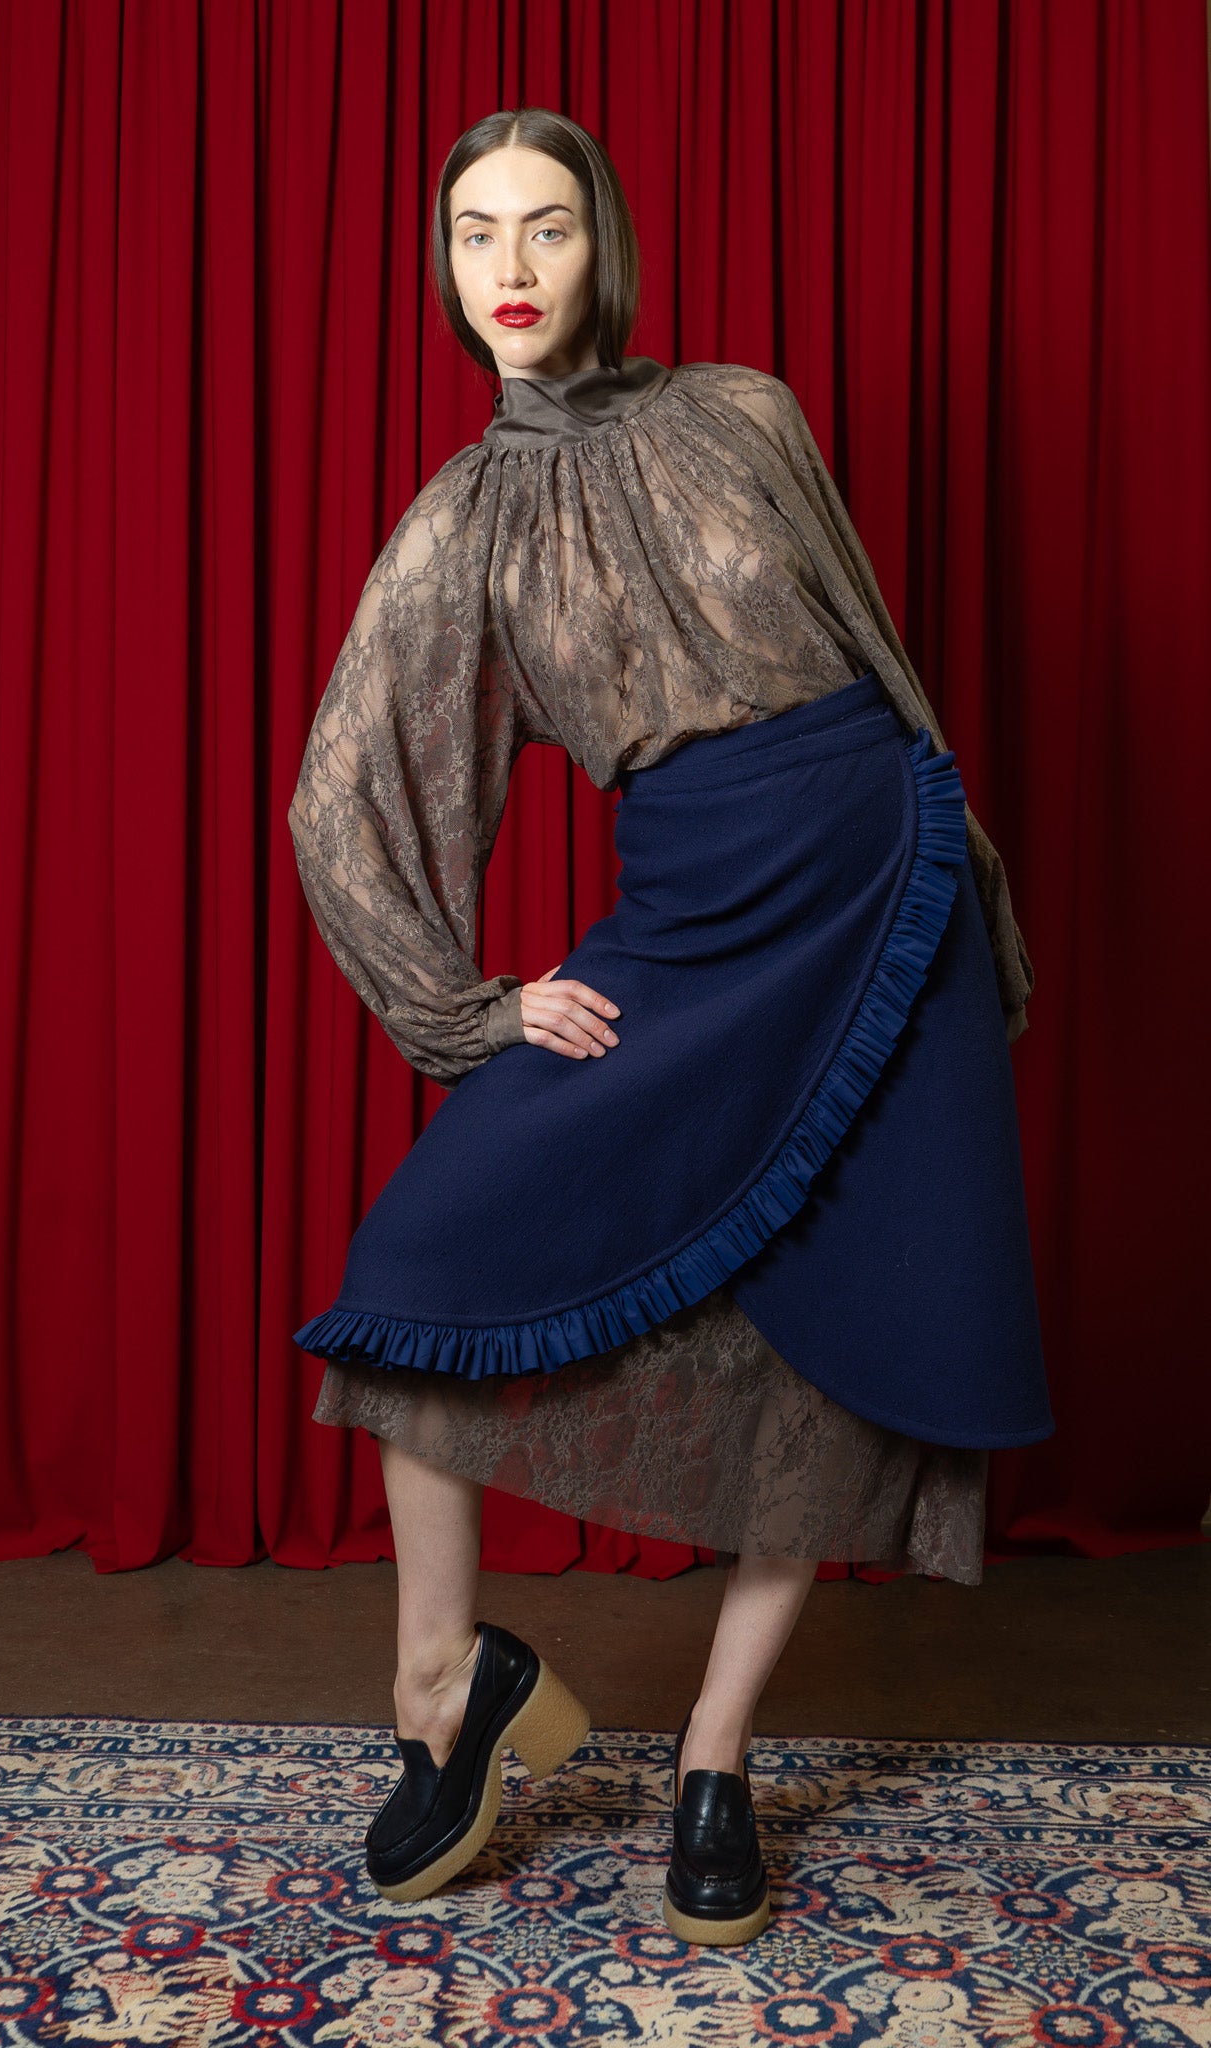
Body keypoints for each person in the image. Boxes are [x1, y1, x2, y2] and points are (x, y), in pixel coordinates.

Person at [286, 106, 1054, 1946]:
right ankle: (443, 1686)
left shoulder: (742, 415)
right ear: (443, 264)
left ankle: (717, 1759)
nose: (513, 267)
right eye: (476, 232)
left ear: (602, 243)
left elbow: (879, 657)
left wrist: (970, 879)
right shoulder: (463, 525)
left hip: (881, 907)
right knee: (422, 1262)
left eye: (546, 225)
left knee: (830, 1352)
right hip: (690, 928)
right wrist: (477, 1009)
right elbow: (343, 798)